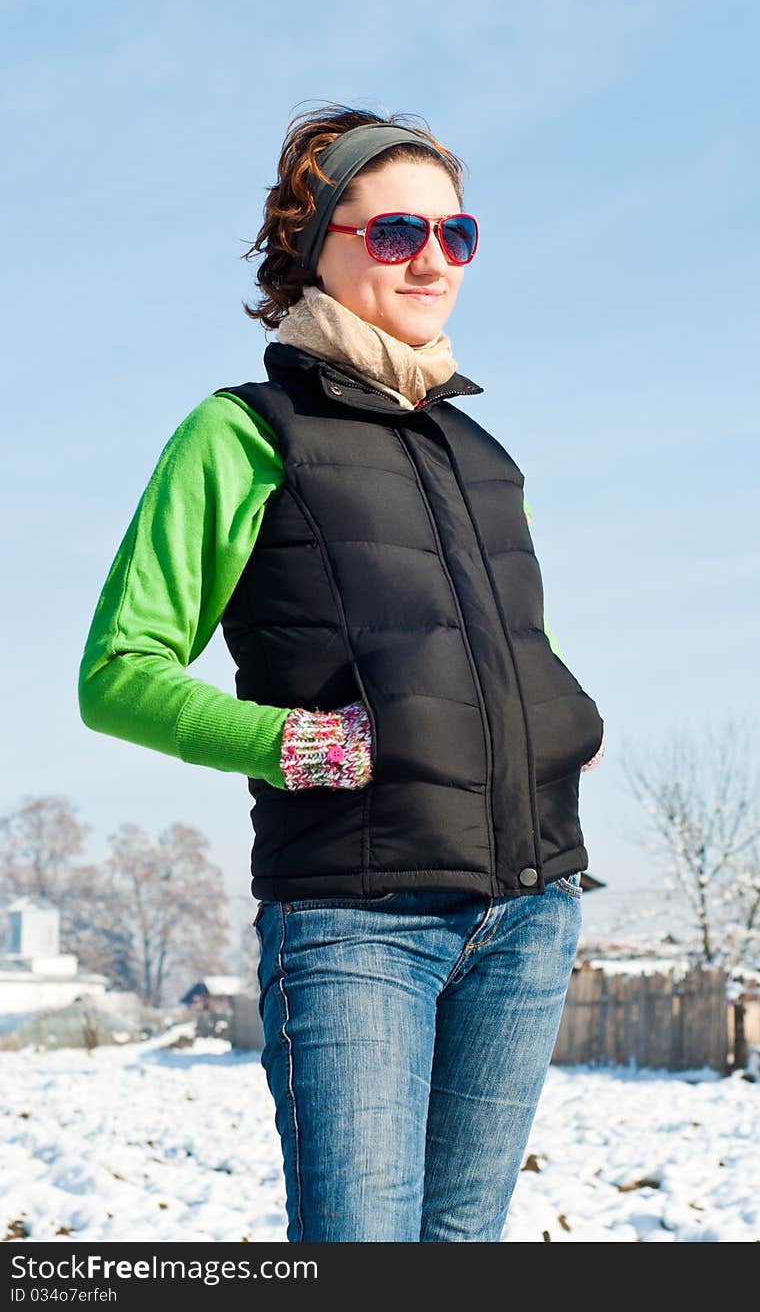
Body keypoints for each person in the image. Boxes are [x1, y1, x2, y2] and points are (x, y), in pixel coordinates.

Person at [78, 103, 605, 1242]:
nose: (431, 259)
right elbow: (117, 671)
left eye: (456, 235)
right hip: (359, 922)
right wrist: (291, 742)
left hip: (527, 913)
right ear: (312, 242)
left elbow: (515, 645)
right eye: (395, 231)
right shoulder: (240, 434)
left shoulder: (482, 454)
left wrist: (568, 720)